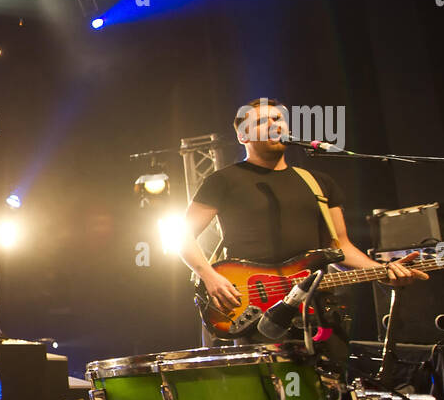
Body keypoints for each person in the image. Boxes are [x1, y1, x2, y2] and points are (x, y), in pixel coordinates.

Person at [181, 97, 426, 326]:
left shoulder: (319, 182)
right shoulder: (222, 180)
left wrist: (380, 272)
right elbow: (183, 236)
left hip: (315, 309)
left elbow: (341, 248)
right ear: (243, 136)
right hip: (252, 307)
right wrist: (209, 276)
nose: (273, 125)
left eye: (277, 120)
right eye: (260, 122)